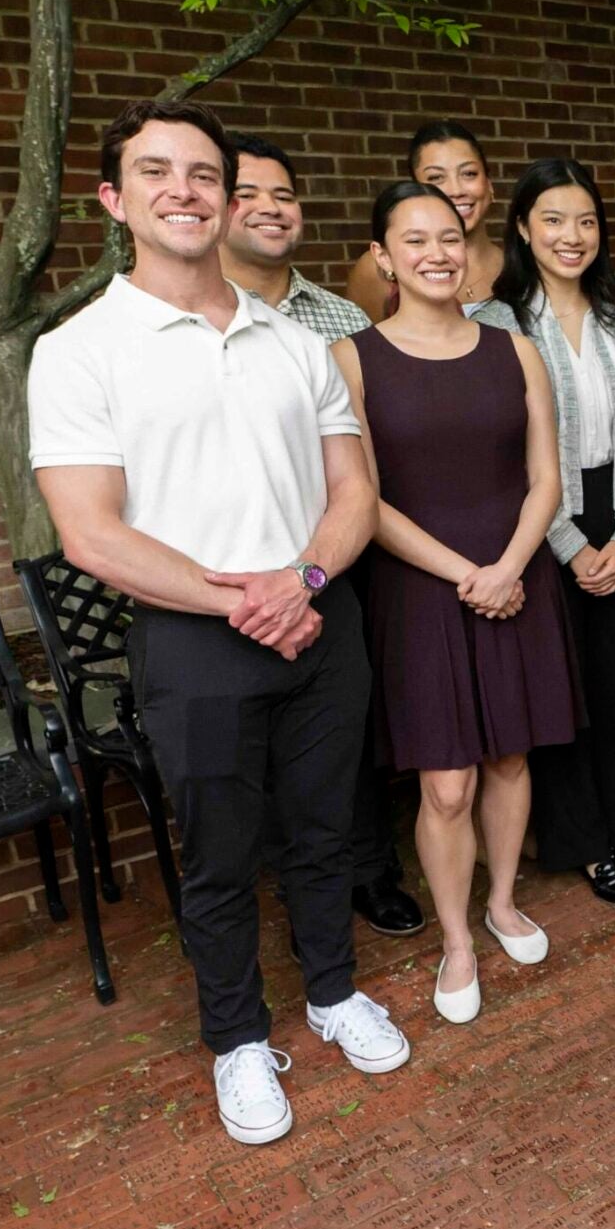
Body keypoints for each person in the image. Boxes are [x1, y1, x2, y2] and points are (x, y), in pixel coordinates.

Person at [31, 100, 409, 1148]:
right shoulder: (80, 350)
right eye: (156, 172)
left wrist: (303, 580)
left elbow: (355, 492)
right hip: (194, 640)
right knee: (221, 856)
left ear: (227, 198)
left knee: (328, 831)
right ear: (114, 200)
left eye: (205, 174)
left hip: (318, 620)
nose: (184, 190)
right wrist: (249, 598)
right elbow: (90, 533)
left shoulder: (294, 340)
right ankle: (238, 1038)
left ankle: (332, 991)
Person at [338, 180, 582, 1024]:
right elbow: (363, 500)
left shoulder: (514, 351)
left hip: (518, 579)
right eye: (414, 240)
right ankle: (455, 940)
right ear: (384, 257)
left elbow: (546, 479)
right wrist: (468, 576)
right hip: (420, 593)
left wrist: (509, 566)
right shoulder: (352, 359)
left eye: (448, 237)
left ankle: (503, 902)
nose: (436, 254)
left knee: (511, 758)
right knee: (445, 785)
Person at [221, 130, 426, 941]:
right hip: (235, 570)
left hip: (339, 557)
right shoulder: (194, 321)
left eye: (284, 194)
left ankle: (370, 870)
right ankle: (297, 887)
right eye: (248, 193)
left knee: (349, 727)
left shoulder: (340, 318)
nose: (270, 208)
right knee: (262, 745)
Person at [475, 159, 615, 904]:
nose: (572, 235)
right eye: (553, 219)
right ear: (524, 228)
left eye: (586, 221)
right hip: (537, 524)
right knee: (562, 693)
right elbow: (508, 455)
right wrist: (570, 545)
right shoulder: (497, 325)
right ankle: (583, 843)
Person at [346, 121, 503, 321]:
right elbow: (365, 339)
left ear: (489, 185)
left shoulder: (518, 265)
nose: (456, 190)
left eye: (469, 174)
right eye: (436, 177)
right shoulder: (378, 267)